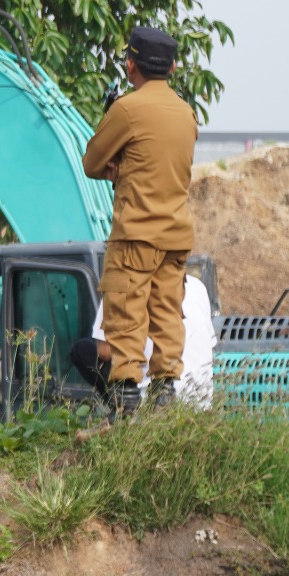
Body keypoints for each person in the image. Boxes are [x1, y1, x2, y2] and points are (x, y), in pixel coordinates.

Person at [82, 26, 198, 413]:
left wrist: (119, 170)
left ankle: (127, 406)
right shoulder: (187, 115)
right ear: (174, 66)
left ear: (131, 65)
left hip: (135, 236)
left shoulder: (127, 108)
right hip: (176, 237)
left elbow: (92, 162)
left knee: (126, 320)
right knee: (168, 316)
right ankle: (165, 397)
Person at [71, 273, 217, 409]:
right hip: (202, 403)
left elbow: (106, 352)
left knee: (82, 350)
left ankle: (125, 409)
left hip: (153, 405)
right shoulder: (196, 286)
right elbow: (210, 344)